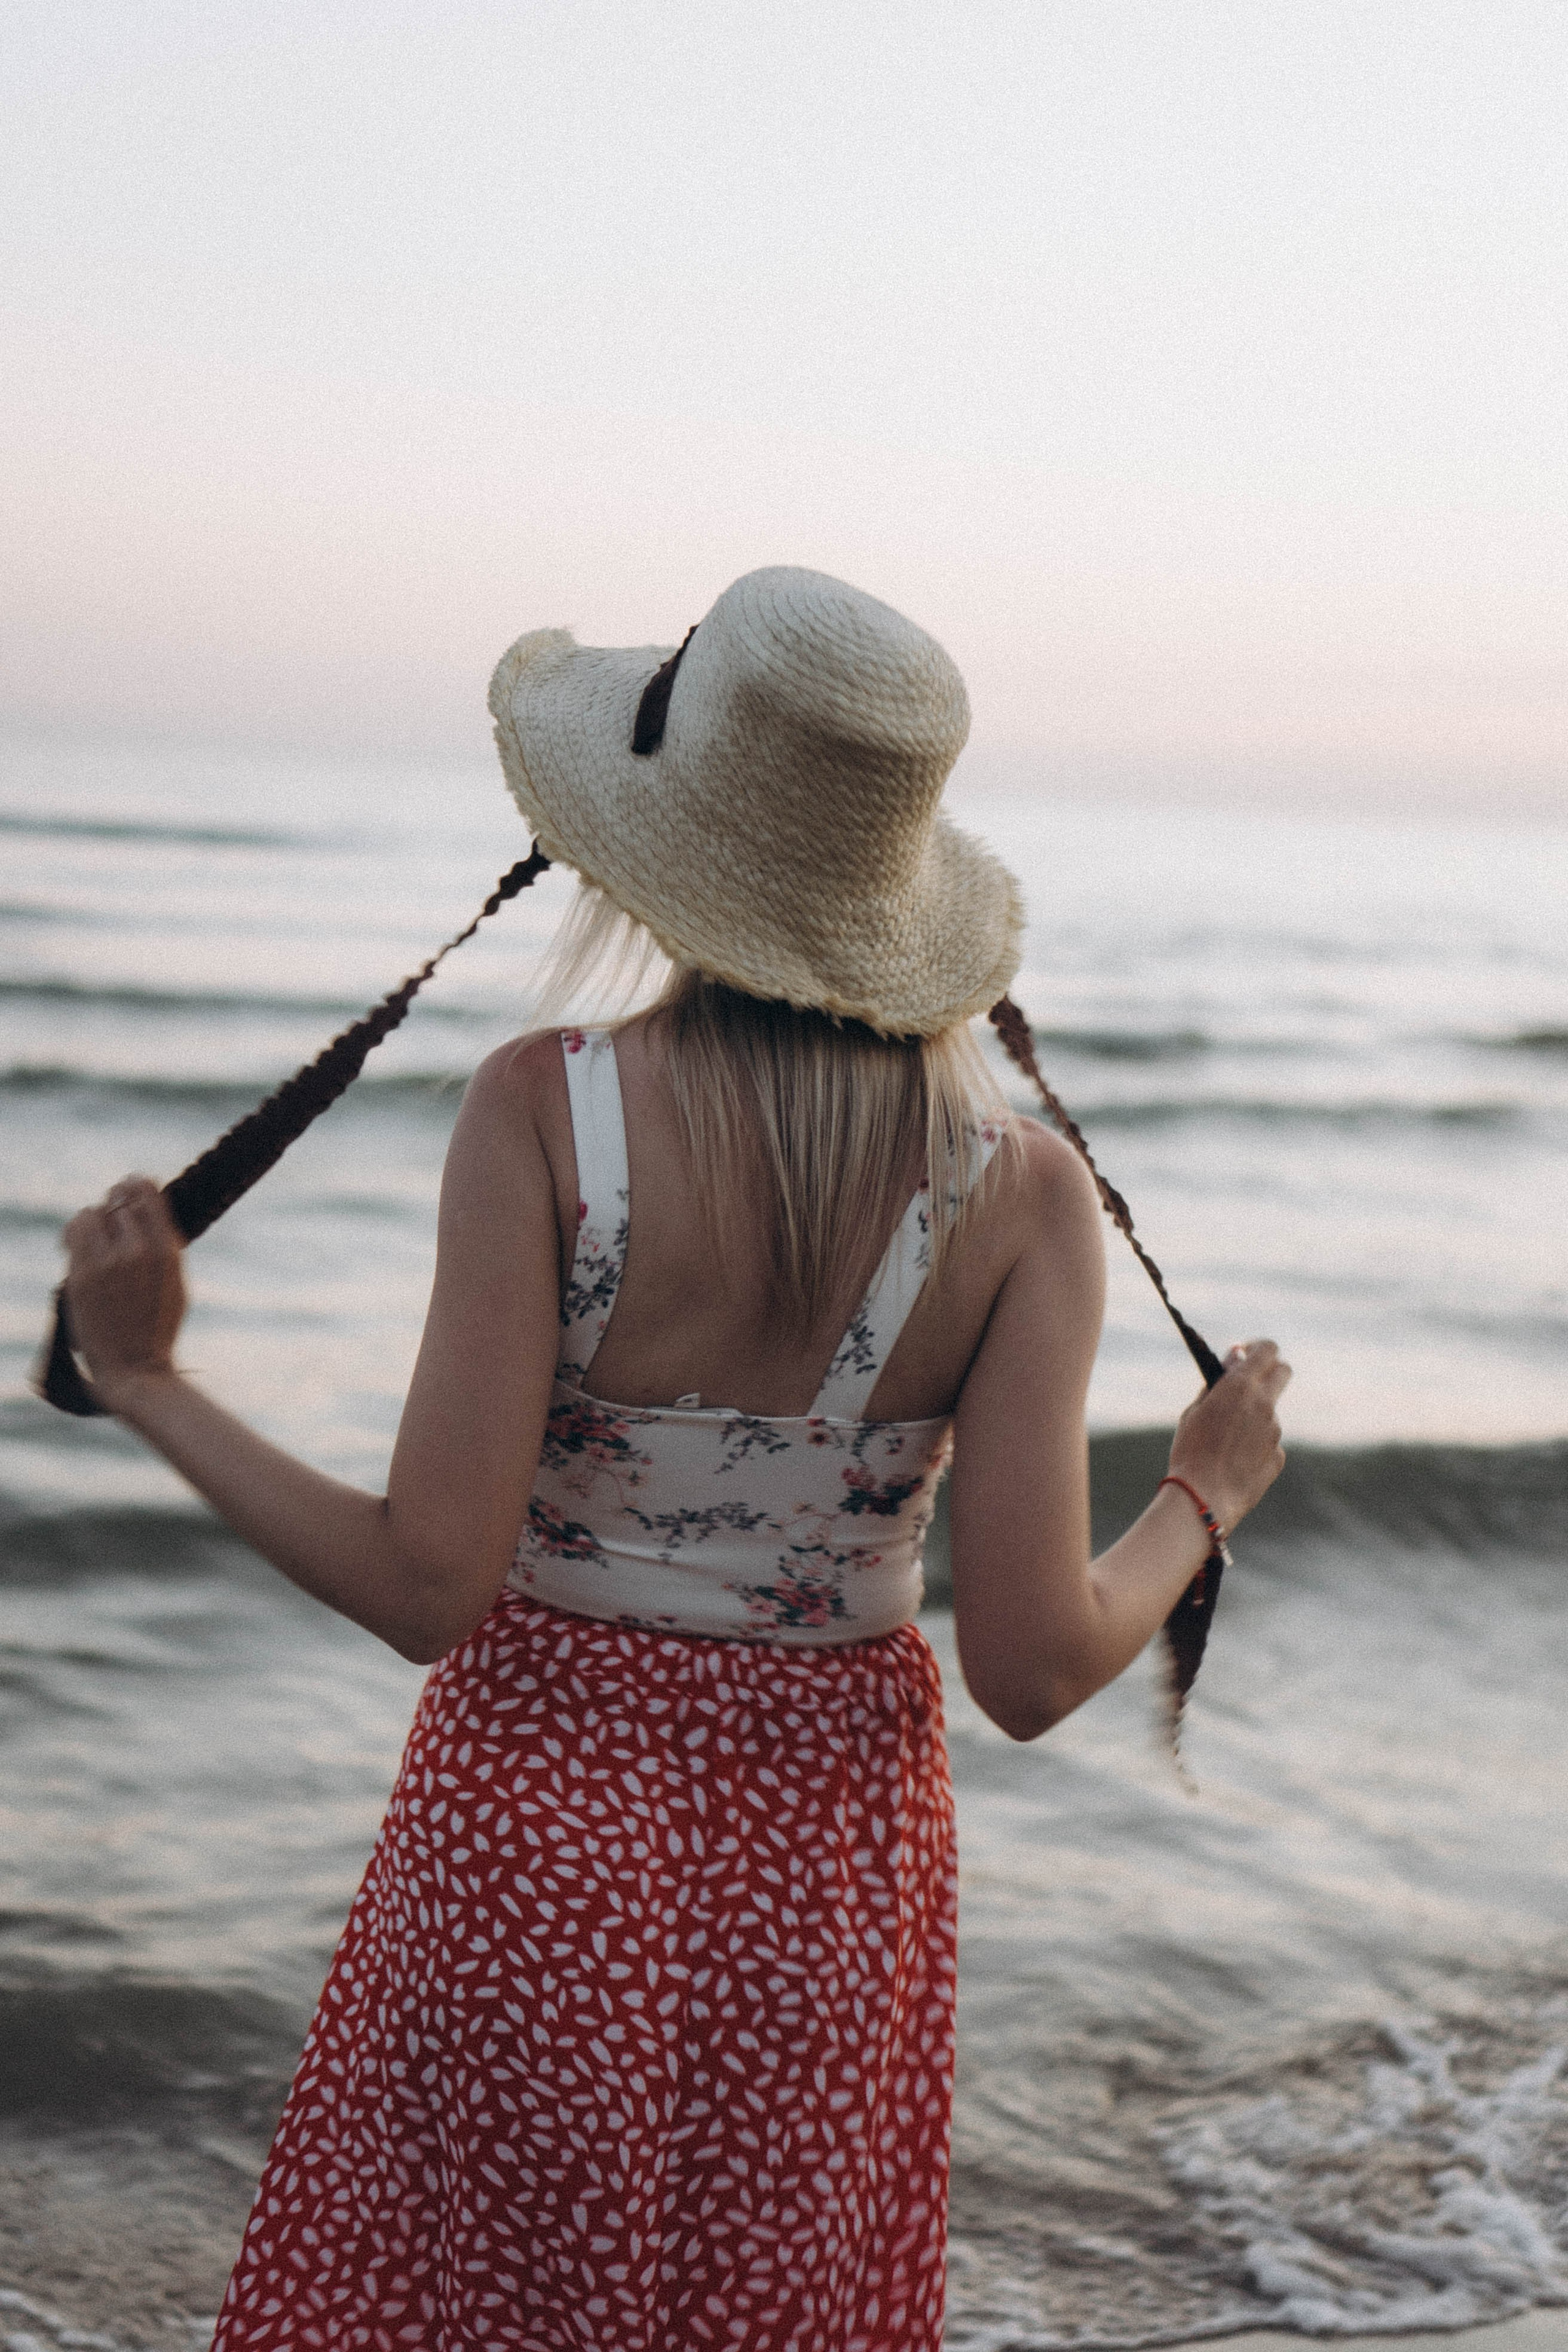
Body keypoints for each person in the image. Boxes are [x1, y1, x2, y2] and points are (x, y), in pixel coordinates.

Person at [60, 567, 1289, 2351]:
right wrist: (1204, 1495)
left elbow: (427, 1585)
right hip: (831, 1873)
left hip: (527, 1839)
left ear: (665, 834)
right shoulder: (1023, 1195)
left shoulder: (545, 1110)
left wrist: (148, 1379)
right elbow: (1028, 1669)